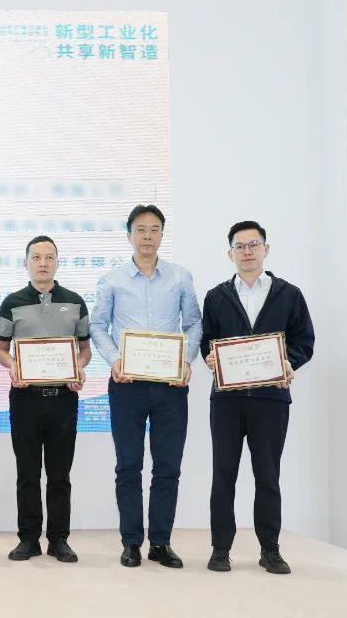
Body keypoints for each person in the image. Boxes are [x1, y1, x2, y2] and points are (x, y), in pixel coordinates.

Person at [90, 204, 202, 569]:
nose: (148, 236)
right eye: (141, 229)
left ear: (162, 235)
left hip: (170, 385)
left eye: (154, 229)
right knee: (128, 466)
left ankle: (161, 542)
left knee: (168, 467)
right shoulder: (112, 279)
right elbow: (97, 326)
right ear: (129, 235)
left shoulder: (180, 277)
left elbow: (194, 324)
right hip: (128, 385)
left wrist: (186, 361)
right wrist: (114, 360)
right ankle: (131, 542)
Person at [201, 221, 314, 574]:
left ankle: (270, 550)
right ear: (230, 253)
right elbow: (207, 341)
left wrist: (288, 362)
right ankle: (220, 549)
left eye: (253, 244)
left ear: (266, 249)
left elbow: (304, 341)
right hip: (227, 401)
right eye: (240, 246)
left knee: (267, 475)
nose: (247, 251)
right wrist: (209, 357)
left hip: (270, 399)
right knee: (223, 474)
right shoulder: (216, 296)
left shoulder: (289, 294)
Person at [0, 236, 92, 563]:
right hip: (25, 398)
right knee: (27, 473)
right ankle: (28, 539)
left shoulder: (75, 301)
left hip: (64, 399)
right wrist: (14, 366)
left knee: (59, 474)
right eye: (36, 257)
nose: (42, 263)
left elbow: (85, 349)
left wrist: (79, 368)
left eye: (49, 257)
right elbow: (1, 350)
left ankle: (59, 539)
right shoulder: (11, 303)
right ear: (26, 263)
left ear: (57, 262)